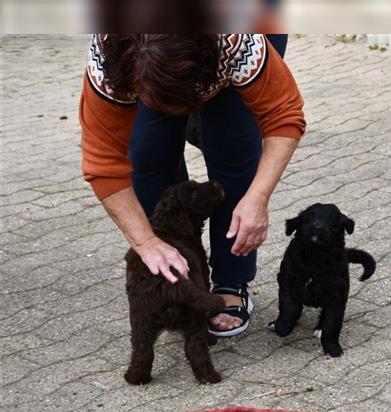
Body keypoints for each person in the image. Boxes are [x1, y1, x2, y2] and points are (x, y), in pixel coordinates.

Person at [79, 33, 305, 336]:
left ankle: (231, 280)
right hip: (154, 60)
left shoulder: (236, 38)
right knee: (147, 150)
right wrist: (145, 242)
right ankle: (183, 274)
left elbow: (282, 115)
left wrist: (258, 198)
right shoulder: (109, 60)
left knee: (232, 144)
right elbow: (103, 163)